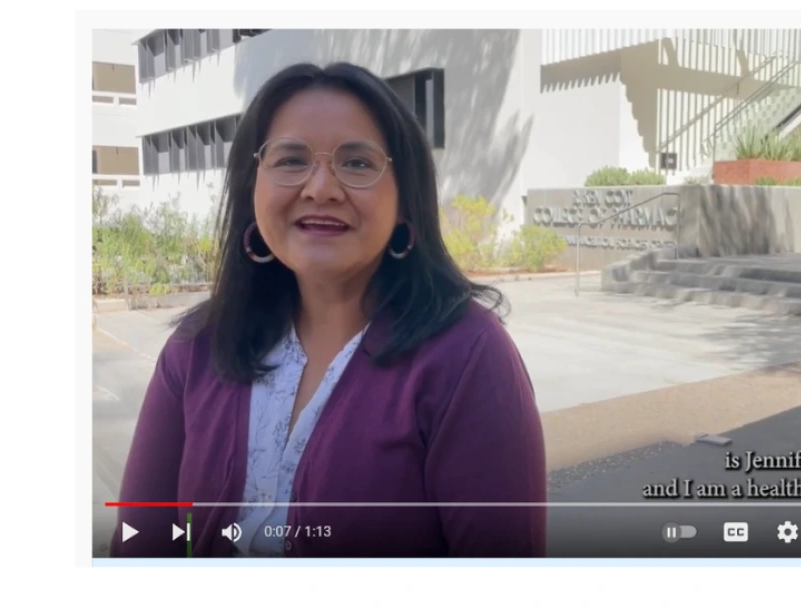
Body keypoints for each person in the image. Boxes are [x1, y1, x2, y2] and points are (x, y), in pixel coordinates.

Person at [109, 62, 547, 558]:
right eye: (291, 160)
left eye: (357, 163)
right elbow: (140, 546)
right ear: (253, 188)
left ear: (405, 198)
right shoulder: (198, 348)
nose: (321, 188)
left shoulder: (467, 358)